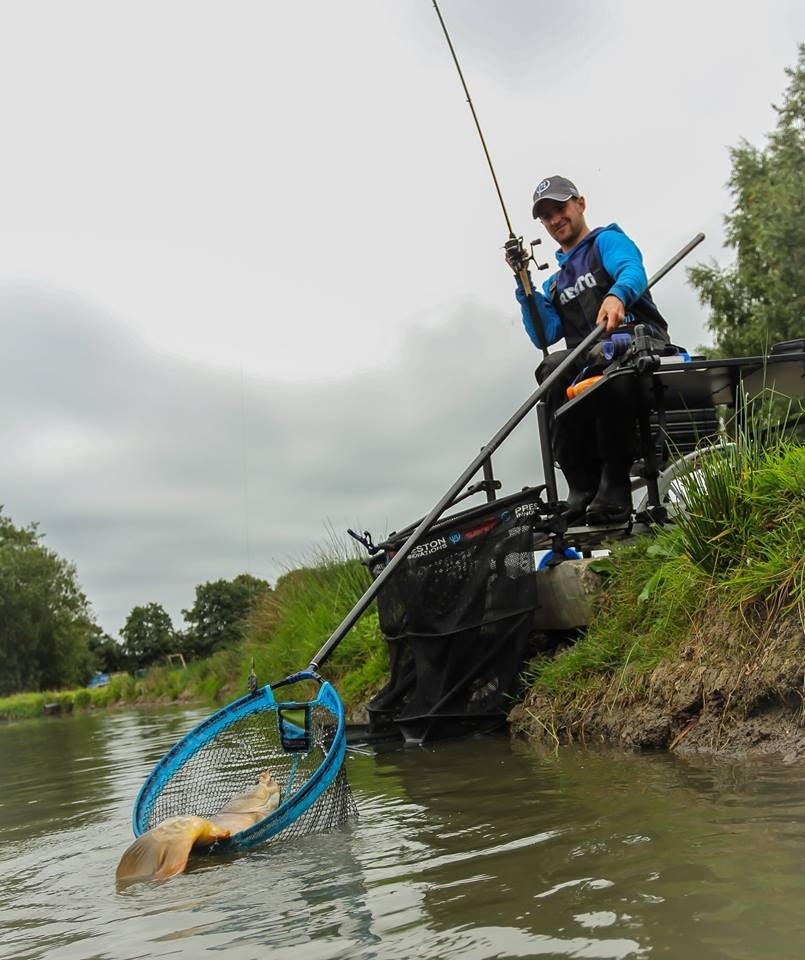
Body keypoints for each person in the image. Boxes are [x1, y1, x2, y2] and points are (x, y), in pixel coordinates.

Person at [510, 175, 669, 525]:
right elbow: (544, 334)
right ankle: (580, 486)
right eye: (546, 216)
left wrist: (617, 295)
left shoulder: (607, 241)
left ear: (580, 204)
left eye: (560, 208)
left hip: (635, 342)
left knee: (603, 357)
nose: (555, 220)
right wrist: (525, 286)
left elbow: (632, 270)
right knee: (551, 367)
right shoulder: (556, 281)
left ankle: (614, 483)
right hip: (588, 359)